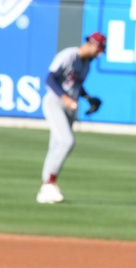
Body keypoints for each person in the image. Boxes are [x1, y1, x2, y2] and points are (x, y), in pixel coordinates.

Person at [37, 32, 107, 204]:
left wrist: (88, 97)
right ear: (90, 44)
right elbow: (50, 78)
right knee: (66, 141)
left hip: (69, 106)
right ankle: (49, 183)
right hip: (55, 102)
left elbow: (76, 85)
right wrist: (65, 98)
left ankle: (46, 188)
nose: (99, 54)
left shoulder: (86, 65)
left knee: (56, 145)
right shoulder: (69, 55)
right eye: (98, 50)